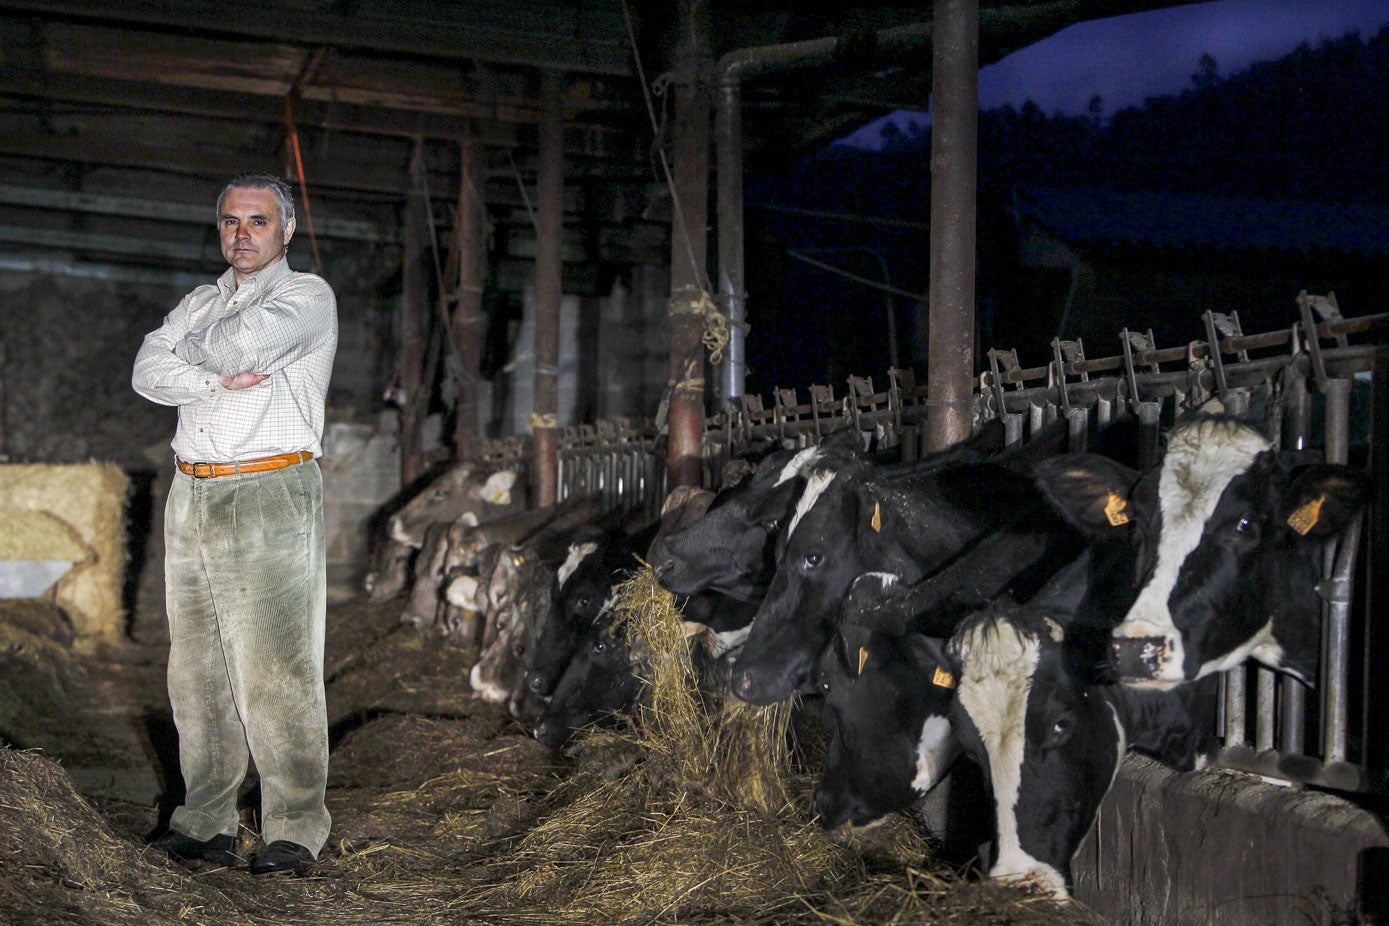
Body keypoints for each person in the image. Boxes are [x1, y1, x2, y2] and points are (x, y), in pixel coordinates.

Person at [132, 171, 338, 876]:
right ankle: (206, 819)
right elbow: (145, 371)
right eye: (228, 222)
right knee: (195, 669)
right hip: (193, 489)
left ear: (285, 230)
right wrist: (210, 379)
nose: (240, 234)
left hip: (269, 486)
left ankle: (295, 826)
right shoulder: (200, 299)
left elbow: (234, 349)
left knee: (275, 667)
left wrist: (196, 356)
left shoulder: (307, 297)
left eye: (256, 222)